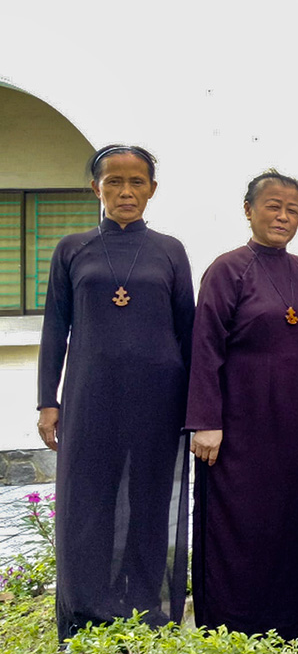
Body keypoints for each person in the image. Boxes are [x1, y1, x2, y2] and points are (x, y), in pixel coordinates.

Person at [36, 145, 194, 640]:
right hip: (90, 397)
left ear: (151, 188)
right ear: (96, 188)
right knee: (89, 504)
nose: (126, 191)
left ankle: (146, 610)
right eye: (114, 182)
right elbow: (55, 328)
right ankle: (85, 615)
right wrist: (48, 400)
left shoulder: (170, 250)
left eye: (137, 182)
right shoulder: (72, 248)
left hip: (159, 400)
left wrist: (197, 404)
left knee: (150, 503)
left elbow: (189, 333)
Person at [185, 170, 298, 638]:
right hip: (238, 425)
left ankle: (294, 624)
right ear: (249, 210)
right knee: (240, 522)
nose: (283, 217)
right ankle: (234, 626)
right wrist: (205, 421)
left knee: (291, 520)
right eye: (273, 206)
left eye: (293, 210)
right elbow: (204, 348)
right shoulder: (227, 269)